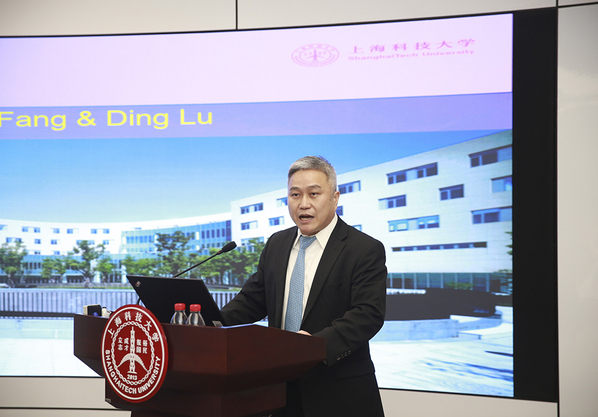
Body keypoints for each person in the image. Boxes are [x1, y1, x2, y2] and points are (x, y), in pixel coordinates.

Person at [221, 156, 387, 417]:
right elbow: (252, 301)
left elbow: (367, 314)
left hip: (338, 392)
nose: (303, 203)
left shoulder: (364, 249)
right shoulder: (276, 243)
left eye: (314, 193)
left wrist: (312, 347)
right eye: (295, 194)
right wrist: (210, 324)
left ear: (335, 198)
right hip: (279, 388)